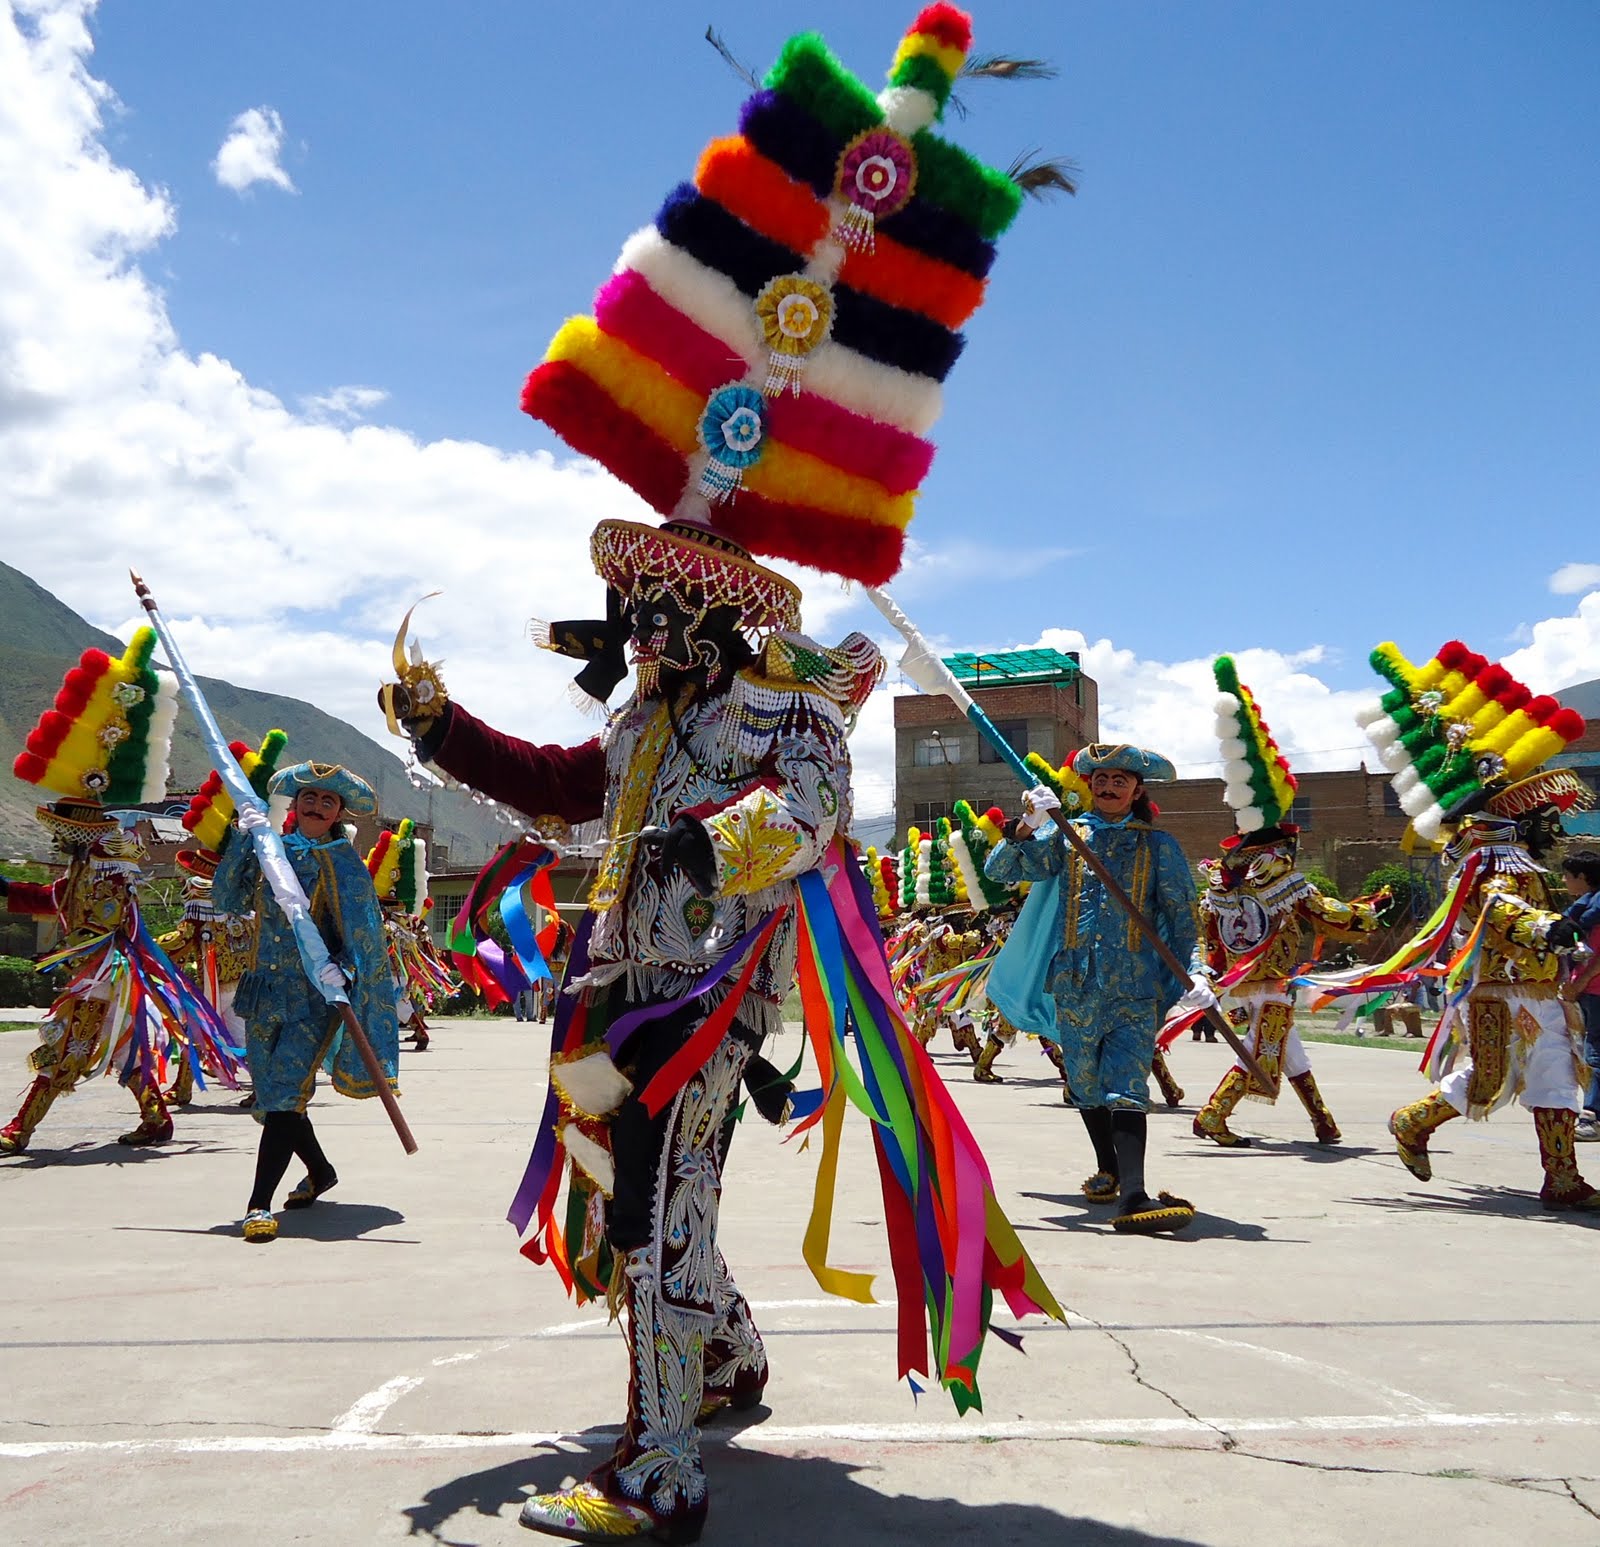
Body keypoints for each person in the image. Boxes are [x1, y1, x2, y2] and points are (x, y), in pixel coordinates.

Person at [1322, 639, 1596, 1209]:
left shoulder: (1515, 857)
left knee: (1557, 1079)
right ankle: (1413, 1121)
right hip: (1496, 990)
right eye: (1543, 811)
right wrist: (1543, 928)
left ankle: (1563, 1178)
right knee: (1486, 1082)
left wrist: (1549, 932)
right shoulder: (1491, 858)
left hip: (1541, 987)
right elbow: (1498, 906)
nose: (1552, 821)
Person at [2, 629, 240, 1154]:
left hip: (107, 974)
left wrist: (85, 961)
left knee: (69, 1048)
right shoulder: (87, 867)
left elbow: (101, 925)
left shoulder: (107, 868)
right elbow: (55, 901)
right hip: (103, 972)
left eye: (62, 826)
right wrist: (8, 890)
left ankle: (20, 1128)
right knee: (128, 1051)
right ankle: (156, 1118)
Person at [985, 744, 1206, 1233]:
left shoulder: (1159, 846)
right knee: (1085, 1084)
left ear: (1137, 789)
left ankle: (1134, 1195)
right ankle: (1109, 1167)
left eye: (1119, 781)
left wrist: (1199, 971)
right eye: (1101, 779)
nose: (1108, 788)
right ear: (1090, 784)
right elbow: (1001, 872)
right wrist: (1027, 823)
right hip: (1075, 983)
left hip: (1135, 986)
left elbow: (1183, 917)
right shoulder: (1066, 836)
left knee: (1128, 1086)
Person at [1182, 657, 1387, 1147]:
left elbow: (1210, 938)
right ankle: (1213, 1116)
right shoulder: (1286, 882)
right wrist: (1367, 912)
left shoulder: (1220, 886)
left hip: (1238, 984)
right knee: (1259, 1053)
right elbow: (1327, 916)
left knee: (1289, 1053)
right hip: (1269, 984)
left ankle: (1323, 1121)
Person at [212, 762, 400, 1241]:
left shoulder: (344, 862)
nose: (317, 806)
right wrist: (242, 836)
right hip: (262, 994)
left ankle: (258, 1205)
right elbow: (226, 897)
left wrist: (346, 969)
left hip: (312, 999)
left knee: (281, 1097)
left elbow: (364, 937)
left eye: (328, 801)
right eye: (309, 797)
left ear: (338, 812)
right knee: (276, 1102)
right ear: (294, 805)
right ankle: (321, 1171)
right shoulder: (268, 848)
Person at [1558, 849, 1600, 1139]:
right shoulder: (1586, 909)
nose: (1563, 881)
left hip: (1594, 989)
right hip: (1588, 989)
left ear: (1582, 878)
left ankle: (1591, 1114)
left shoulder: (1594, 912)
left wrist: (1580, 983)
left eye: (1568, 876)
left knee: (1595, 1050)